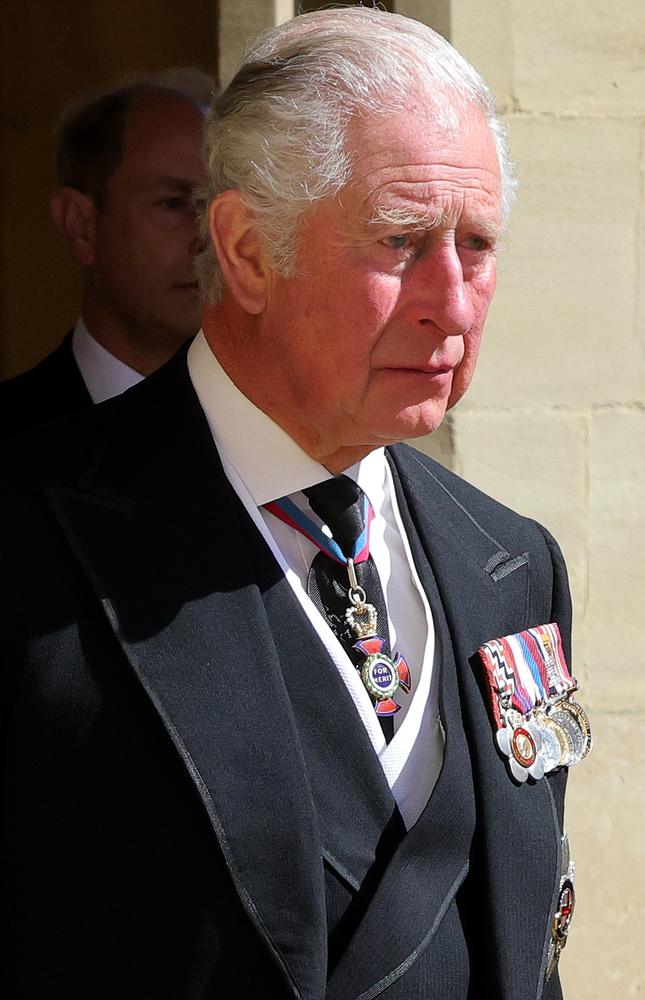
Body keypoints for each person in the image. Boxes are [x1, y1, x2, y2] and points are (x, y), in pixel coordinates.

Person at [1, 9, 586, 999]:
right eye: (401, 241)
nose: (452, 300)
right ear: (244, 249)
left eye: (476, 243)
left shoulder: (508, 562)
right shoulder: (29, 537)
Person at [0, 71, 210, 436]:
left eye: (222, 207)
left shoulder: (292, 433)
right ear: (80, 225)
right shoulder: (12, 437)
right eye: (175, 204)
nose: (211, 236)